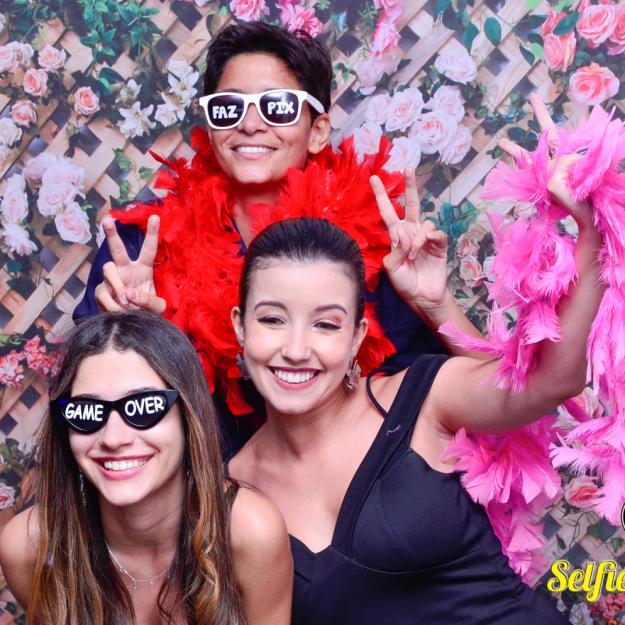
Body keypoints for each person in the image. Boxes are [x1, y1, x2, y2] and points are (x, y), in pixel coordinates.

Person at [225, 129, 602, 623]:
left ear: (358, 336)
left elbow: (552, 380)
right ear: (240, 327)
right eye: (273, 320)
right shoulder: (231, 490)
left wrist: (590, 226)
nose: (296, 350)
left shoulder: (419, 399)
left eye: (326, 324)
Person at [72, 22, 483, 450]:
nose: (251, 124)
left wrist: (437, 304)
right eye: (228, 108)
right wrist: (125, 332)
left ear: (318, 131)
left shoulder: (380, 246)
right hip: (198, 483)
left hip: (350, 477)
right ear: (211, 128)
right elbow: (89, 410)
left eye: (278, 107)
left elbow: (479, 392)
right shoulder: (139, 247)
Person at [0, 311, 292, 625]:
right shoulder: (29, 549)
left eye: (142, 408)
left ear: (187, 417)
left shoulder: (249, 532)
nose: (113, 438)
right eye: (88, 412)